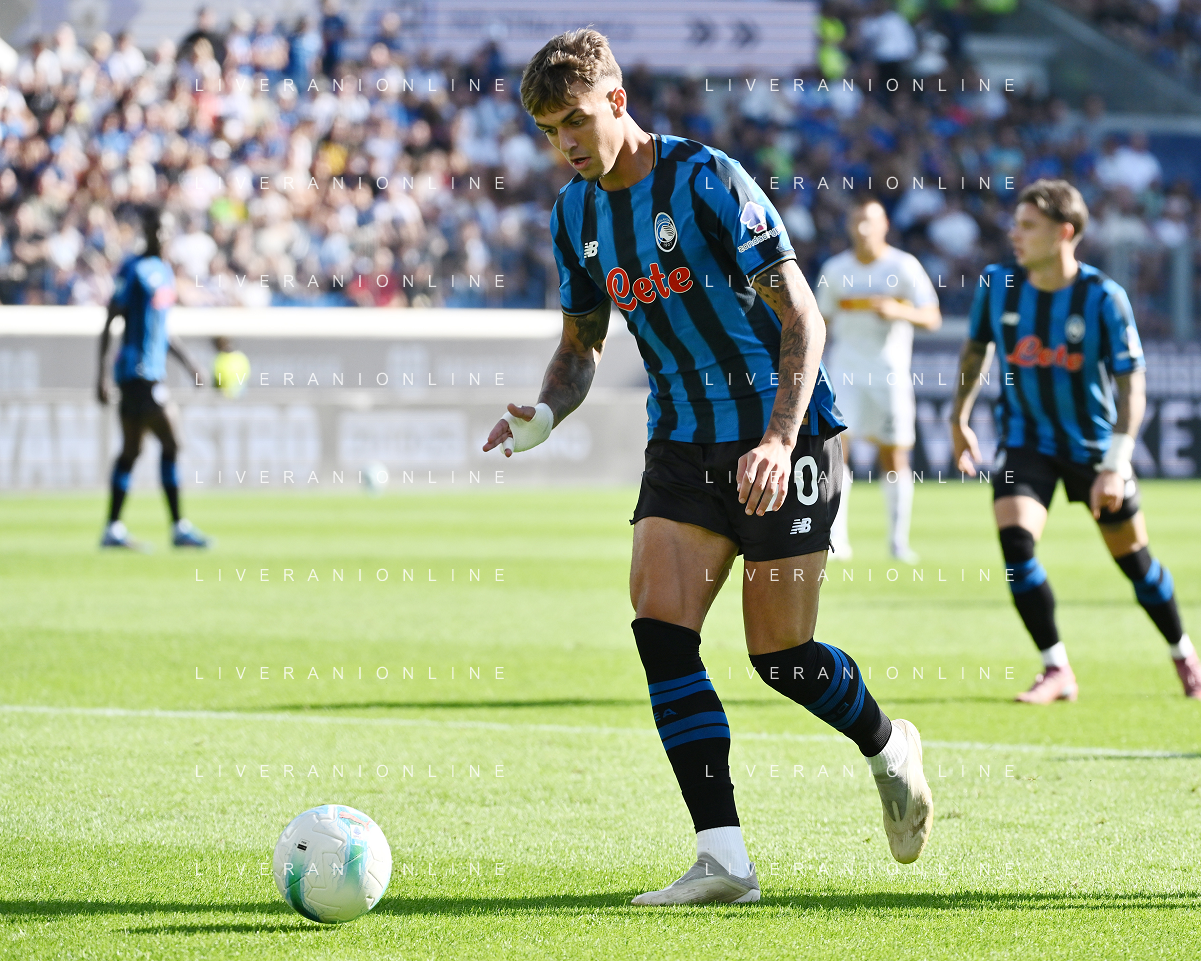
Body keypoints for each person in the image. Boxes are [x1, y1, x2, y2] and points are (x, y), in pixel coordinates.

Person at [484, 29, 933, 906]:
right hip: (682, 442)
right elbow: (581, 343)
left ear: (616, 101)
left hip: (784, 433)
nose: (564, 143)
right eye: (547, 130)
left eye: (573, 119)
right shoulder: (573, 216)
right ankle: (723, 859)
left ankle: (888, 745)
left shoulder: (707, 179)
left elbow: (802, 318)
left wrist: (777, 439)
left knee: (782, 657)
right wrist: (545, 410)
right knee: (659, 626)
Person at [950, 179, 1199, 702]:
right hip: (1025, 441)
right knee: (1017, 547)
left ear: (1064, 232)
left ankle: (1183, 653)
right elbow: (976, 350)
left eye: (1028, 226)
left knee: (1136, 563)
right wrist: (959, 417)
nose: (1015, 235)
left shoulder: (1103, 297)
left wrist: (1115, 463)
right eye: (1016, 224)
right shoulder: (997, 283)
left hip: (1094, 449)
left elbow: (1132, 386)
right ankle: (1056, 667)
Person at [818, 198, 941, 562]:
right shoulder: (835, 269)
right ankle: (836, 539)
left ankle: (898, 542)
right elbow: (820, 321)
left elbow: (932, 317)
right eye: (856, 221)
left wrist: (899, 310)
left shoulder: (903, 266)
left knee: (894, 454)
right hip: (846, 371)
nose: (863, 229)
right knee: (837, 452)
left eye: (869, 221)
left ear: (885, 225)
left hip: (889, 374)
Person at [96, 208, 210, 550]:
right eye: (155, 230)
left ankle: (113, 529)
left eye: (166, 230)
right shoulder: (134, 270)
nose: (161, 236)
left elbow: (162, 329)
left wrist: (190, 363)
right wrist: (101, 374)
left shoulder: (165, 272)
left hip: (151, 371)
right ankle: (178, 528)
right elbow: (111, 319)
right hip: (137, 371)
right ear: (146, 232)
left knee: (132, 450)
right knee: (171, 441)